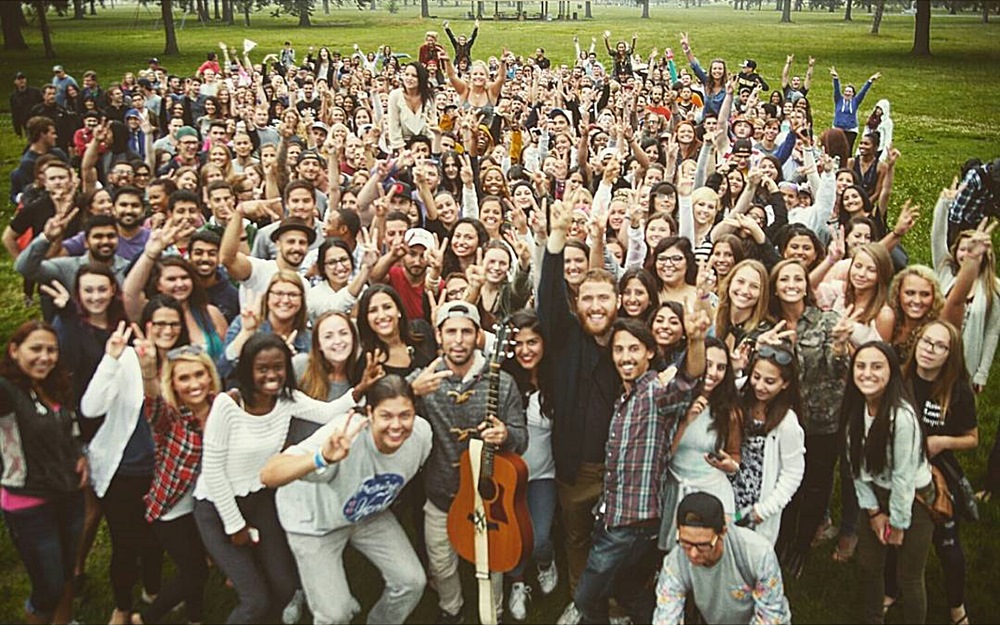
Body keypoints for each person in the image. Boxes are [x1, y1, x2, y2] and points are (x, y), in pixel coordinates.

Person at [192, 333, 359, 623]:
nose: (272, 375)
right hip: (216, 507)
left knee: (284, 587)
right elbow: (214, 472)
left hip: (259, 499)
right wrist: (235, 525)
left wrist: (361, 389)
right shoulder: (227, 405)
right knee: (254, 600)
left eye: (278, 367)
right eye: (262, 368)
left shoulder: (288, 399)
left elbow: (328, 412)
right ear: (247, 370)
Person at [569, 311, 708, 625]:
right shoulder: (625, 398)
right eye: (618, 350)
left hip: (632, 522)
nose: (624, 357)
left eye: (633, 349)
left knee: (586, 596)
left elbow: (690, 378)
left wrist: (697, 339)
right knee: (627, 587)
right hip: (616, 516)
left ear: (649, 352)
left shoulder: (656, 392)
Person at [260, 376, 431, 624]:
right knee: (335, 614)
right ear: (370, 413)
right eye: (386, 416)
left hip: (365, 512)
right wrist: (322, 458)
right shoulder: (344, 434)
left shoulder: (422, 435)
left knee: (412, 581)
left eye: (405, 415)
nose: (396, 425)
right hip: (313, 521)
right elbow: (269, 473)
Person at [405, 300, 528, 623]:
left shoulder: (501, 381)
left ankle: (494, 613)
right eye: (451, 332)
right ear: (439, 335)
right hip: (441, 493)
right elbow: (388, 415)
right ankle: (452, 608)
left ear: (477, 336)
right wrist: (409, 393)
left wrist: (506, 435)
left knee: (491, 563)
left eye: (466, 332)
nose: (458, 339)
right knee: (441, 564)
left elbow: (521, 435)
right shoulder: (424, 379)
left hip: (487, 497)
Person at [0, 321, 88, 625]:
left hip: (69, 495)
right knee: (47, 588)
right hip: (29, 504)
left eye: (51, 350)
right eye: (35, 348)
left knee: (65, 573)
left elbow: (71, 430)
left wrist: (80, 456)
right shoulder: (7, 392)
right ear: (14, 351)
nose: (45, 357)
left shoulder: (56, 385)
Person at [131, 340, 221, 625]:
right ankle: (145, 619)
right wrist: (148, 372)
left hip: (203, 506)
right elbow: (154, 406)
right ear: (173, 383)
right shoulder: (171, 417)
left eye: (199, 374)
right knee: (196, 570)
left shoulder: (222, 407)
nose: (194, 384)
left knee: (193, 566)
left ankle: (195, 619)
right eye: (184, 377)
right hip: (170, 508)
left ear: (210, 375)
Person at [844, 342, 934, 625]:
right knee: (869, 565)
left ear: (891, 372)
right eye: (860, 366)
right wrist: (873, 512)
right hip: (875, 493)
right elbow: (855, 468)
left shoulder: (902, 417)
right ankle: (873, 618)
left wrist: (897, 523)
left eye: (876, 366)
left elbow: (904, 478)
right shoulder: (854, 409)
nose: (867, 373)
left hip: (913, 500)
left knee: (909, 576)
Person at [899, 321, 977, 625]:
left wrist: (943, 441)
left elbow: (973, 438)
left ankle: (956, 605)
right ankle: (892, 588)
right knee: (897, 534)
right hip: (901, 469)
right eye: (926, 342)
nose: (929, 350)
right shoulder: (901, 378)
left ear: (951, 354)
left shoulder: (957, 391)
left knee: (947, 543)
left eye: (940, 346)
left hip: (938, 473)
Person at [653, 492, 792, 625]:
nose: (693, 554)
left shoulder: (758, 554)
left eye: (703, 545)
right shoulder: (675, 562)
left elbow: (770, 617)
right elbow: (666, 615)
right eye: (686, 543)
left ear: (723, 533)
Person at [503, 309, 559, 621]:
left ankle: (545, 564)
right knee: (511, 537)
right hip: (509, 475)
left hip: (542, 475)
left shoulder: (555, 380)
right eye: (519, 343)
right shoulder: (507, 383)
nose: (526, 350)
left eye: (533, 341)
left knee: (538, 540)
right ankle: (517, 582)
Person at [728, 342, 806, 546]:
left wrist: (765, 510)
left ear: (785, 383)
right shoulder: (740, 393)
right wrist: (733, 367)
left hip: (757, 504)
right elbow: (716, 388)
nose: (760, 386)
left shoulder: (787, 423)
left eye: (770, 381)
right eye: (756, 377)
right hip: (727, 490)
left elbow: (793, 473)